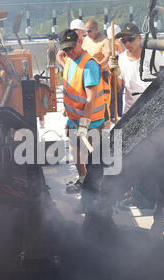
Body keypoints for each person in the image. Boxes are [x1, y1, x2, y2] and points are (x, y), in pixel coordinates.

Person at [59, 29, 109, 194]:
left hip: (91, 123)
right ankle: (83, 180)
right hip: (74, 121)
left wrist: (84, 125)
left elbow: (90, 99)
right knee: (76, 152)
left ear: (80, 42)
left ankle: (95, 193)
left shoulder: (89, 65)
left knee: (92, 160)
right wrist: (70, 121)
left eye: (72, 48)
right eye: (66, 50)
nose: (70, 52)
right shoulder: (69, 61)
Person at [108, 22, 161, 114]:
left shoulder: (154, 55)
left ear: (139, 38)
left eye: (130, 39)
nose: (127, 43)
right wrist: (113, 72)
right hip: (131, 113)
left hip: (154, 109)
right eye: (124, 41)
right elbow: (116, 88)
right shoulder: (121, 60)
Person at [82, 19, 112, 128]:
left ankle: (106, 130)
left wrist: (98, 67)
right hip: (87, 75)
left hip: (101, 76)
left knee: (103, 104)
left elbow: (107, 56)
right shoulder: (86, 40)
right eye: (86, 31)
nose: (87, 34)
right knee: (89, 102)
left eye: (89, 31)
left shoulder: (104, 41)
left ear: (96, 29)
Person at [106, 24, 124, 119]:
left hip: (119, 76)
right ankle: (112, 116)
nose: (120, 38)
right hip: (110, 77)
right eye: (118, 36)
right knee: (112, 98)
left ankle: (120, 115)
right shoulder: (107, 47)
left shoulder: (118, 46)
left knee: (119, 97)